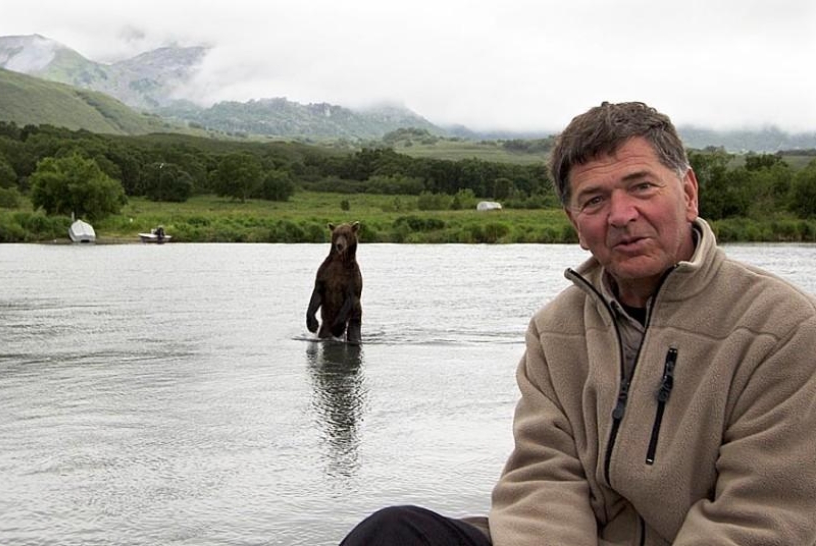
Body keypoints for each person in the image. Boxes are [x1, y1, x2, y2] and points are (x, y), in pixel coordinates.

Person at [339, 101, 816, 545]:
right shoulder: (556, 330)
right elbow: (545, 481)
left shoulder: (782, 328)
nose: (621, 216)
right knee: (393, 533)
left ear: (688, 193)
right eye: (594, 201)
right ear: (575, 224)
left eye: (642, 186)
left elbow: (762, 519)